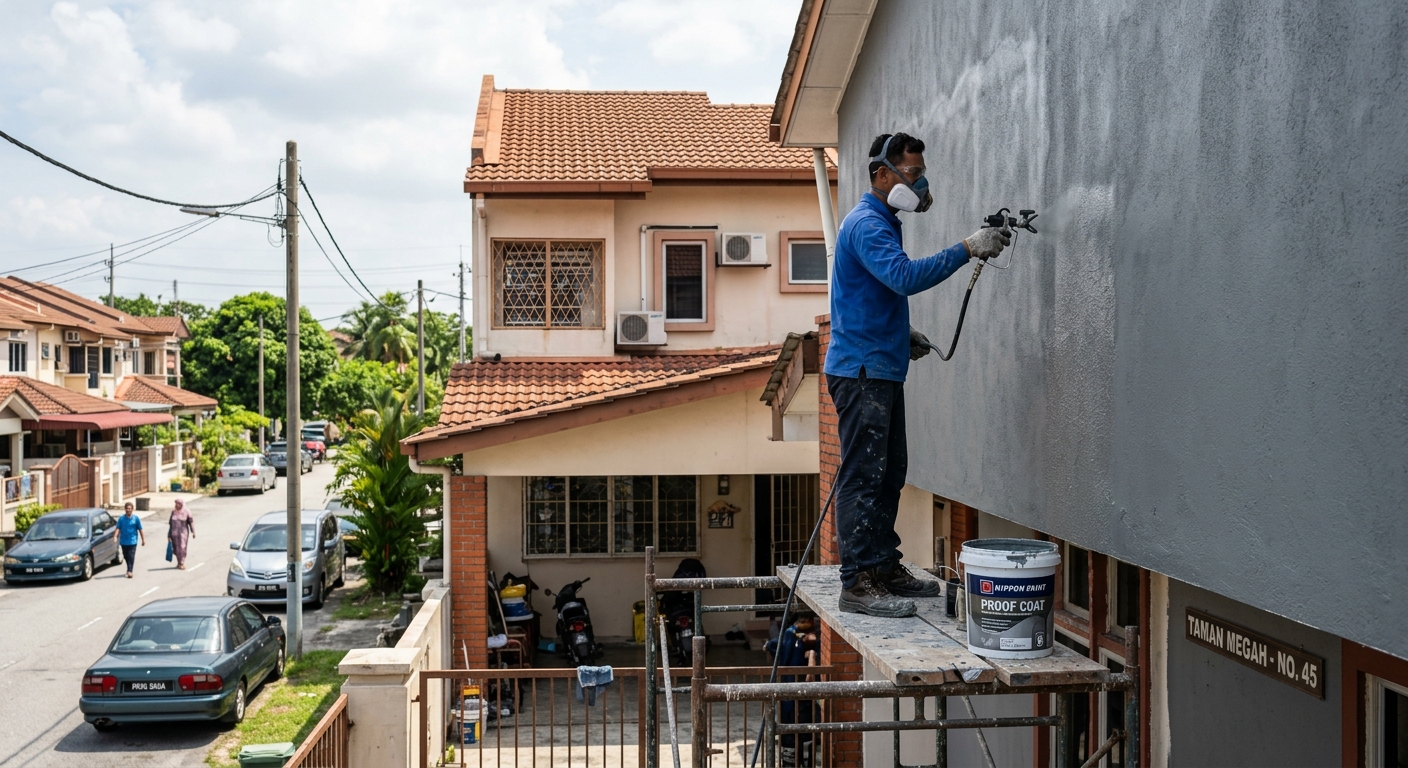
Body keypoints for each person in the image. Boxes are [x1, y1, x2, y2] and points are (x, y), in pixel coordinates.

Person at [827, 132, 1011, 618]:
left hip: (879, 365)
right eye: (912, 173)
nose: (920, 181)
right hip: (862, 372)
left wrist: (899, 333)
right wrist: (967, 248)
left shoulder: (883, 221)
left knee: (890, 471)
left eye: (921, 171)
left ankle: (883, 567)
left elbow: (873, 293)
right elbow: (904, 277)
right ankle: (858, 582)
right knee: (865, 475)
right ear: (882, 175)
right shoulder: (868, 224)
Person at [115, 502, 146, 578]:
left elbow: (140, 529)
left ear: (132, 509)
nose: (128, 510)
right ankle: (129, 568)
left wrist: (143, 540)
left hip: (133, 541)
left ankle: (130, 571)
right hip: (124, 542)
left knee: (131, 556)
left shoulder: (136, 519)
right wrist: (115, 536)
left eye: (130, 509)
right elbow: (118, 528)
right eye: (127, 509)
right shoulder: (121, 519)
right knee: (126, 556)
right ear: (125, 509)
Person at [167, 499, 195, 570]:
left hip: (183, 534)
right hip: (174, 534)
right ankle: (179, 562)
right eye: (176, 504)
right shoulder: (173, 512)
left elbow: (191, 522)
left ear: (181, 504)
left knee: (182, 548)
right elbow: (171, 524)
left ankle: (182, 563)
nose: (176, 505)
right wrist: (169, 534)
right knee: (176, 549)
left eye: (178, 504)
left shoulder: (187, 512)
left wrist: (193, 532)